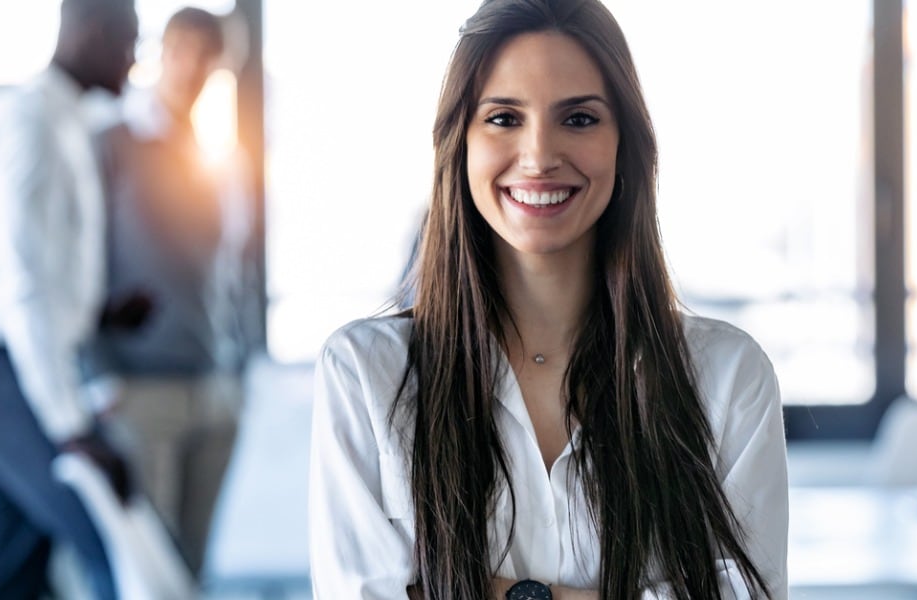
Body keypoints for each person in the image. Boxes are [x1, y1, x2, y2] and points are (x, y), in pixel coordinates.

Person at [308, 0, 789, 598]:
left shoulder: (726, 376)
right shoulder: (366, 374)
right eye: (504, 118)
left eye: (580, 119)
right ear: (459, 143)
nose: (538, 156)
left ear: (624, 144)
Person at [0, 1, 140, 598]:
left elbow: (41, 278)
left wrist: (97, 312)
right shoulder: (30, 122)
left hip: (12, 363)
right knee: (104, 537)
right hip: (0, 369)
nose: (135, 59)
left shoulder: (66, 122)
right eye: (129, 41)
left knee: (7, 574)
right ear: (91, 33)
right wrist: (71, 426)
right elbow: (22, 285)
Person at [84, 6, 253, 577]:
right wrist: (99, 376)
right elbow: (79, 266)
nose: (195, 69)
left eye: (211, 61)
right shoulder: (109, 141)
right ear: (163, 51)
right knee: (146, 573)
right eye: (185, 52)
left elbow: (231, 274)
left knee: (191, 572)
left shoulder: (216, 158)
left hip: (215, 388)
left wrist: (239, 368)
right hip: (139, 391)